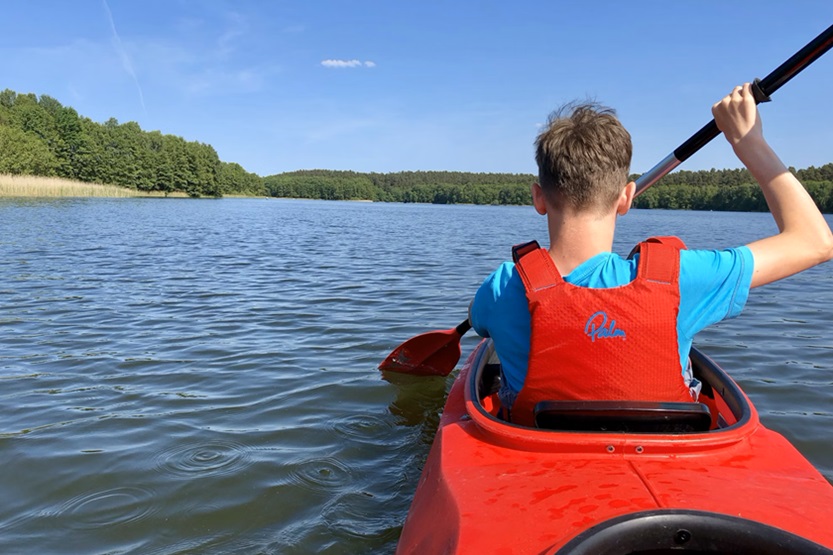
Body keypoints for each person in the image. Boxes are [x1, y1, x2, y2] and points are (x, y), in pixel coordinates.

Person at [469, 83, 833, 427]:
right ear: (626, 197)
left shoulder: (501, 288)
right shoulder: (682, 278)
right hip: (664, 471)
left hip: (538, 459)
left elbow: (480, 322)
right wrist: (747, 141)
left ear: (538, 197)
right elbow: (815, 242)